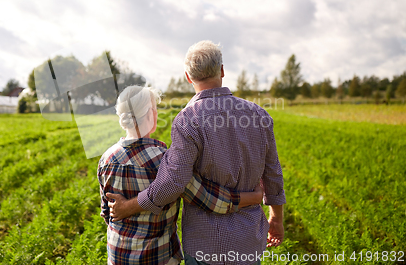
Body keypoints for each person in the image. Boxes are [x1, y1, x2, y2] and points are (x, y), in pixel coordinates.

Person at [107, 41, 286, 265]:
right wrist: (276, 218)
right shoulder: (258, 114)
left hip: (204, 243)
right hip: (248, 239)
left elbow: (172, 184)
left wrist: (127, 207)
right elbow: (273, 174)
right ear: (221, 70)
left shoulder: (187, 120)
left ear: (188, 77)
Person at [98, 85, 263, 265]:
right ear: (149, 114)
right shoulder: (165, 160)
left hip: (117, 256)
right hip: (157, 256)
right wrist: (252, 197)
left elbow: (107, 213)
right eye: (155, 109)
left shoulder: (106, 159)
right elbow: (209, 198)